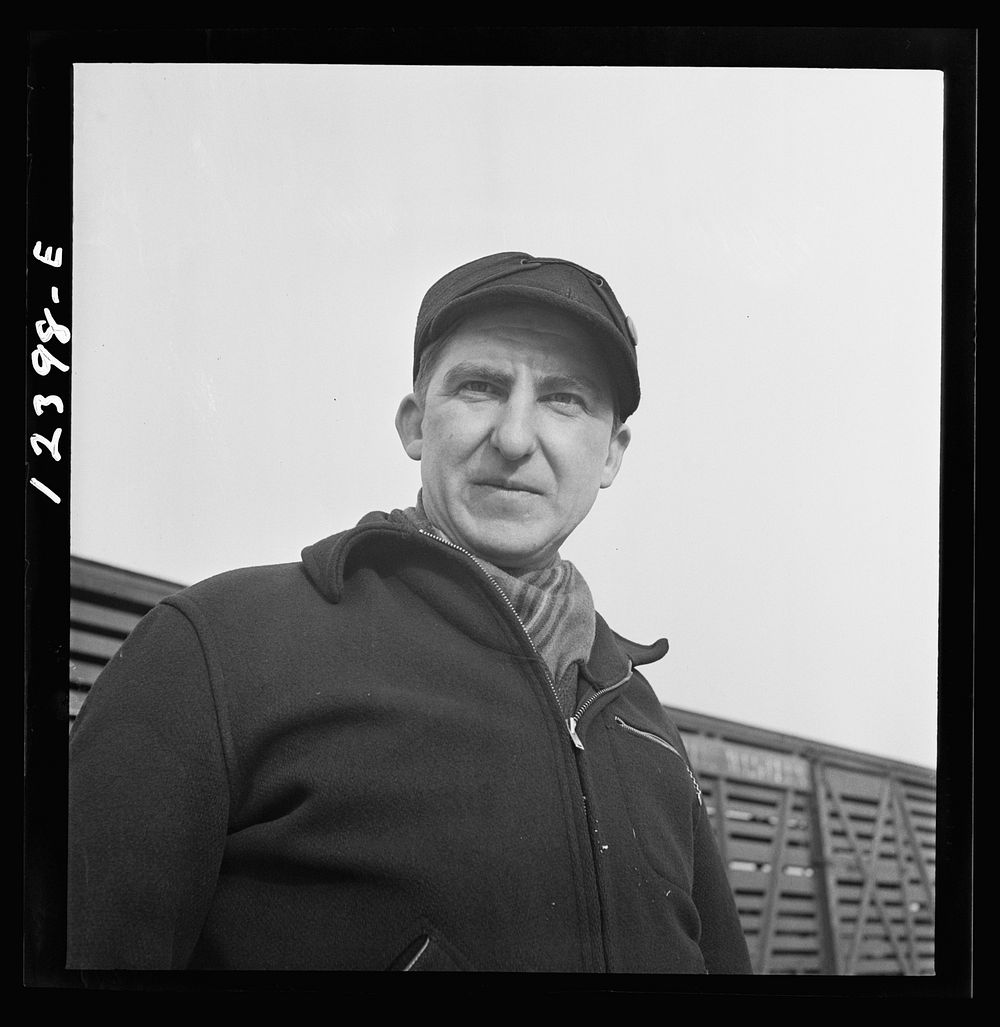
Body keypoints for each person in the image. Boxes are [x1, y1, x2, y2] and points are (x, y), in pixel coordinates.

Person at [67, 251, 752, 975]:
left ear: (611, 454)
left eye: (565, 398)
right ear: (415, 424)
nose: (516, 438)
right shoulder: (218, 649)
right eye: (481, 387)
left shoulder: (646, 726)